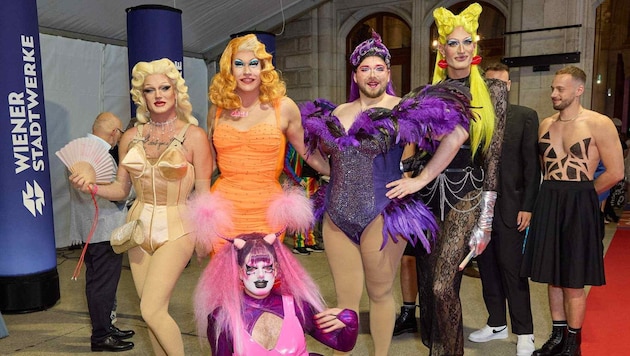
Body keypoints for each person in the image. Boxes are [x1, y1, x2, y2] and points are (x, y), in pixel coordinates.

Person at [301, 31, 472, 355]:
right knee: (346, 304)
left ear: (388, 73)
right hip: (337, 216)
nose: (373, 74)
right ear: (355, 75)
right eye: (365, 68)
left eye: (379, 68)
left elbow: (458, 132)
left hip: (382, 213)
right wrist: (328, 171)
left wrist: (421, 179)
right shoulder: (337, 113)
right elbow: (317, 153)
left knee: (379, 293)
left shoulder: (401, 110)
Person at [70, 58, 213, 355]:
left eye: (165, 87)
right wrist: (92, 187)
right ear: (141, 96)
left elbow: (204, 195)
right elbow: (122, 189)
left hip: (179, 227)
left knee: (150, 308)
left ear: (176, 93)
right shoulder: (131, 137)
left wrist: (206, 237)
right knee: (153, 314)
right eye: (150, 90)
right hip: (137, 229)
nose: (158, 95)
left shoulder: (195, 137)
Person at [409, 3, 508, 355]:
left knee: (442, 285)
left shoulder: (494, 91)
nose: (462, 49)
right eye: (454, 43)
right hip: (429, 196)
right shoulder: (427, 93)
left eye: (468, 42)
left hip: (468, 192)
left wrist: (487, 218)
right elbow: (417, 147)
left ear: (476, 47)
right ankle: (438, 345)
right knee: (427, 281)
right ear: (442, 49)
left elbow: (493, 155)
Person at [521, 65, 624, 356]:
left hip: (580, 199)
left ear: (579, 90)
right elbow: (543, 168)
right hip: (549, 198)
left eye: (560, 89)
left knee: (573, 278)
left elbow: (616, 171)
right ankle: (556, 335)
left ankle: (572, 343)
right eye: (553, 88)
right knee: (552, 274)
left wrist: (585, 195)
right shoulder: (546, 124)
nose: (554, 93)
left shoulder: (598, 123)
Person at [192, 189, 358, 356]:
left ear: (277, 270)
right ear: (240, 272)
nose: (261, 275)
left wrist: (351, 323)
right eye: (252, 268)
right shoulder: (222, 318)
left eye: (267, 267)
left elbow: (341, 344)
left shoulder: (298, 307)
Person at [207, 34, 329, 252]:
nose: (247, 71)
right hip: (224, 208)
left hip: (267, 210)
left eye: (254, 64)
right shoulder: (217, 110)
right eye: (239, 64)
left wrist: (341, 172)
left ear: (264, 68)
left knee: (263, 276)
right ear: (229, 70)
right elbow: (209, 165)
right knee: (227, 279)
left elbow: (307, 152)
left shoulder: (284, 107)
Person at [466, 62, 540, 355]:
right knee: (486, 267)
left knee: (513, 270)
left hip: (512, 206)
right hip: (479, 208)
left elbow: (532, 167)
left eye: (501, 84)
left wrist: (528, 206)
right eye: (490, 85)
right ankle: (496, 323)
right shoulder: (475, 118)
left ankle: (525, 332)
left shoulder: (524, 116)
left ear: (509, 86)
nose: (496, 89)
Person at [68, 112, 135, 352]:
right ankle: (101, 335)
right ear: (115, 133)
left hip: (94, 230)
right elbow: (112, 192)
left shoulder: (83, 150)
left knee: (101, 284)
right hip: (103, 231)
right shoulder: (95, 154)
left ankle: (105, 326)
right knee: (102, 286)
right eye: (120, 134)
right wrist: (127, 195)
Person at [284, 143, 325, 255]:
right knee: (301, 215)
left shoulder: (314, 142)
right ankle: (299, 243)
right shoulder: (293, 143)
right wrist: (297, 179)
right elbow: (285, 164)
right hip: (301, 182)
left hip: (313, 182)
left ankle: (310, 241)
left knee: (312, 214)